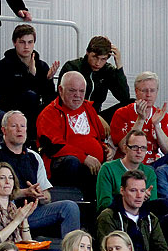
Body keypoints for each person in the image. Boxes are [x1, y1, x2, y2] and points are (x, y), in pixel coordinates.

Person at [0, 111, 81, 238]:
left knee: (70, 207)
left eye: (22, 126)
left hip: (32, 211)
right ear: (4, 130)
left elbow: (47, 194)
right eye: (14, 126)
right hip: (5, 212)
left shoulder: (35, 157)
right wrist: (25, 192)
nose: (19, 130)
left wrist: (41, 194)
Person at [36, 71, 113, 199]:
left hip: (93, 164)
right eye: (72, 90)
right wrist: (84, 158)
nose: (78, 95)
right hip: (65, 165)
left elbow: (96, 138)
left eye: (81, 91)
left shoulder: (88, 108)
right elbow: (54, 147)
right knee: (74, 162)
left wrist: (105, 148)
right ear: (60, 90)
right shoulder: (49, 113)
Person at [0, 26, 57, 142]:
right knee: (30, 97)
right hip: (11, 108)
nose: (26, 47)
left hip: (35, 110)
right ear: (14, 43)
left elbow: (49, 97)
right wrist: (31, 76)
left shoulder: (42, 66)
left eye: (30, 42)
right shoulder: (4, 65)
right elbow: (8, 94)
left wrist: (48, 80)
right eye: (22, 42)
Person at [96, 170, 167, 251]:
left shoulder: (151, 218)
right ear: (122, 191)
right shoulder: (109, 217)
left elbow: (161, 248)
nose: (139, 195)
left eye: (142, 191)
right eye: (133, 190)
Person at [59, 36, 131, 121]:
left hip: (96, 115)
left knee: (131, 103)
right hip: (72, 113)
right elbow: (62, 97)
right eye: (95, 57)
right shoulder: (72, 67)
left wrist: (119, 65)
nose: (98, 63)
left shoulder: (107, 70)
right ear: (87, 52)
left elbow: (124, 98)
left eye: (103, 59)